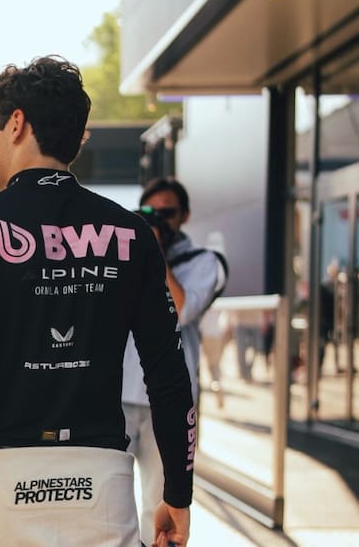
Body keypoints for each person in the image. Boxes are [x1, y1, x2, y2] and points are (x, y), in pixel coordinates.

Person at [0, 57, 195, 547]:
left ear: (16, 125)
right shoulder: (131, 232)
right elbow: (169, 374)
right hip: (100, 479)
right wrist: (178, 493)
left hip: (1, 472)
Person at [122, 177, 221, 546]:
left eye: (168, 213)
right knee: (106, 497)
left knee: (160, 504)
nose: (159, 219)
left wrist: (153, 251)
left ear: (185, 216)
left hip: (168, 402)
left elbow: (179, 309)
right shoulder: (121, 252)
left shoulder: (203, 261)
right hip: (117, 393)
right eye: (151, 212)